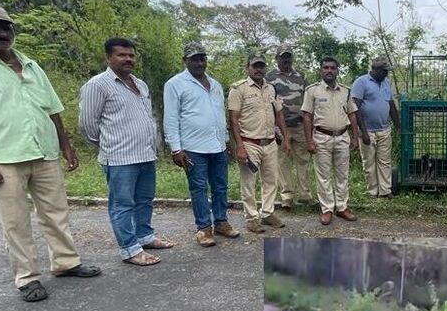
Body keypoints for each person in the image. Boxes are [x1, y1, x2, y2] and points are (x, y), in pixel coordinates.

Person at [0, 3, 101, 301]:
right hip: (2, 156)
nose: (1, 33)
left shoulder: (30, 64)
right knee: (14, 220)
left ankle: (65, 262)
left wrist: (65, 146)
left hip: (43, 151)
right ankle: (27, 277)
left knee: (56, 212)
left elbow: (53, 109)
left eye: (6, 27)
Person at [79, 37, 174, 266]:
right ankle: (130, 249)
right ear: (108, 57)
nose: (128, 59)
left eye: (131, 55)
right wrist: (109, 145)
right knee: (122, 204)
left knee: (144, 200)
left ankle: (145, 236)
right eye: (122, 55)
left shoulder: (140, 84)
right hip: (120, 158)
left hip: (145, 154)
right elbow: (87, 124)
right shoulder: (98, 85)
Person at [163, 42, 240, 247]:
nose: (199, 62)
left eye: (202, 58)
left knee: (221, 186)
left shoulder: (214, 84)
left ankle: (221, 222)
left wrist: (226, 140)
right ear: (185, 61)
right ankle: (204, 228)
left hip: (217, 145)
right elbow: (171, 118)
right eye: (194, 59)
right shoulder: (175, 84)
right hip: (193, 148)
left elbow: (219, 114)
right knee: (198, 188)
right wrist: (176, 148)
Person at [228, 54, 291, 234]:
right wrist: (239, 146)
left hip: (270, 142)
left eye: (262, 66)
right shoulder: (238, 89)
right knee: (248, 183)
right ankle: (252, 218)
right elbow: (233, 118)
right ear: (247, 67)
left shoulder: (271, 88)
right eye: (255, 66)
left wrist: (285, 139)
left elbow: (279, 115)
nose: (259, 69)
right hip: (249, 143)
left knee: (271, 180)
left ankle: (268, 213)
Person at [301, 56, 361, 226]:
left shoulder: (346, 91)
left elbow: (352, 113)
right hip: (321, 137)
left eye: (332, 68)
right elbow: (307, 116)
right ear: (321, 70)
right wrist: (309, 141)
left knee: (343, 175)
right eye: (326, 67)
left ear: (337, 70)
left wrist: (355, 137)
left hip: (342, 136)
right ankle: (327, 209)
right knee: (323, 176)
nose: (329, 70)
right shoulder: (312, 91)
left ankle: (342, 207)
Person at [265, 44, 314, 209]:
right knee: (282, 161)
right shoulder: (269, 77)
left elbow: (307, 100)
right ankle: (286, 196)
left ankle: (305, 195)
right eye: (282, 56)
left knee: (303, 160)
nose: (286, 59)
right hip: (280, 127)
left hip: (299, 126)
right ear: (276, 58)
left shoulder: (301, 76)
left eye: (288, 56)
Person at [352, 57, 400, 198]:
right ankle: (373, 192)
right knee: (369, 163)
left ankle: (385, 191)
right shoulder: (361, 82)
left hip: (384, 129)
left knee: (385, 162)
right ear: (375, 70)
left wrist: (398, 126)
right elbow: (355, 108)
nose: (386, 74)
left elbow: (391, 105)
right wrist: (364, 132)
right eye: (384, 71)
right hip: (368, 131)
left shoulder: (386, 83)